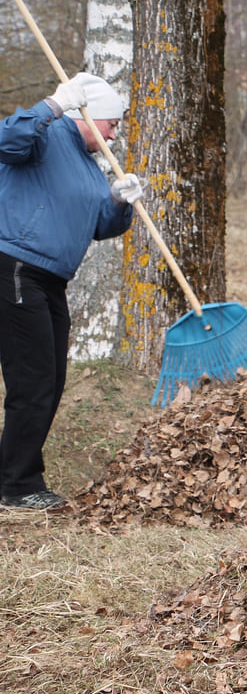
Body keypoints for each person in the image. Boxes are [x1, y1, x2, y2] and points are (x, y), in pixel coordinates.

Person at [0, 72, 143, 510]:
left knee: (52, 377)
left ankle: (15, 471)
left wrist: (119, 204)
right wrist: (53, 104)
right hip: (17, 264)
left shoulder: (89, 161)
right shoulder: (48, 134)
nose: (115, 133)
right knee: (34, 377)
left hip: (51, 278)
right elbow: (6, 141)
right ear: (87, 116)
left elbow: (99, 225)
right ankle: (18, 486)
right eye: (111, 124)